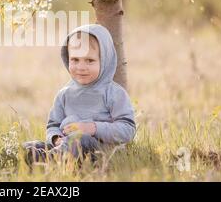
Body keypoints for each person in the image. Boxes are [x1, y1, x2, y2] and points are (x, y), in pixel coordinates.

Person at [23, 24, 136, 164]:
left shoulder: (114, 93)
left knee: (79, 138)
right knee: (31, 145)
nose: (81, 67)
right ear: (67, 58)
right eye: (75, 60)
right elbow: (53, 125)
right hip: (66, 144)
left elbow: (127, 130)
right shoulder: (64, 94)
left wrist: (93, 128)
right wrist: (56, 139)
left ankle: (49, 160)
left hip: (100, 150)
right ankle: (32, 156)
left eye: (90, 60)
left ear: (105, 61)